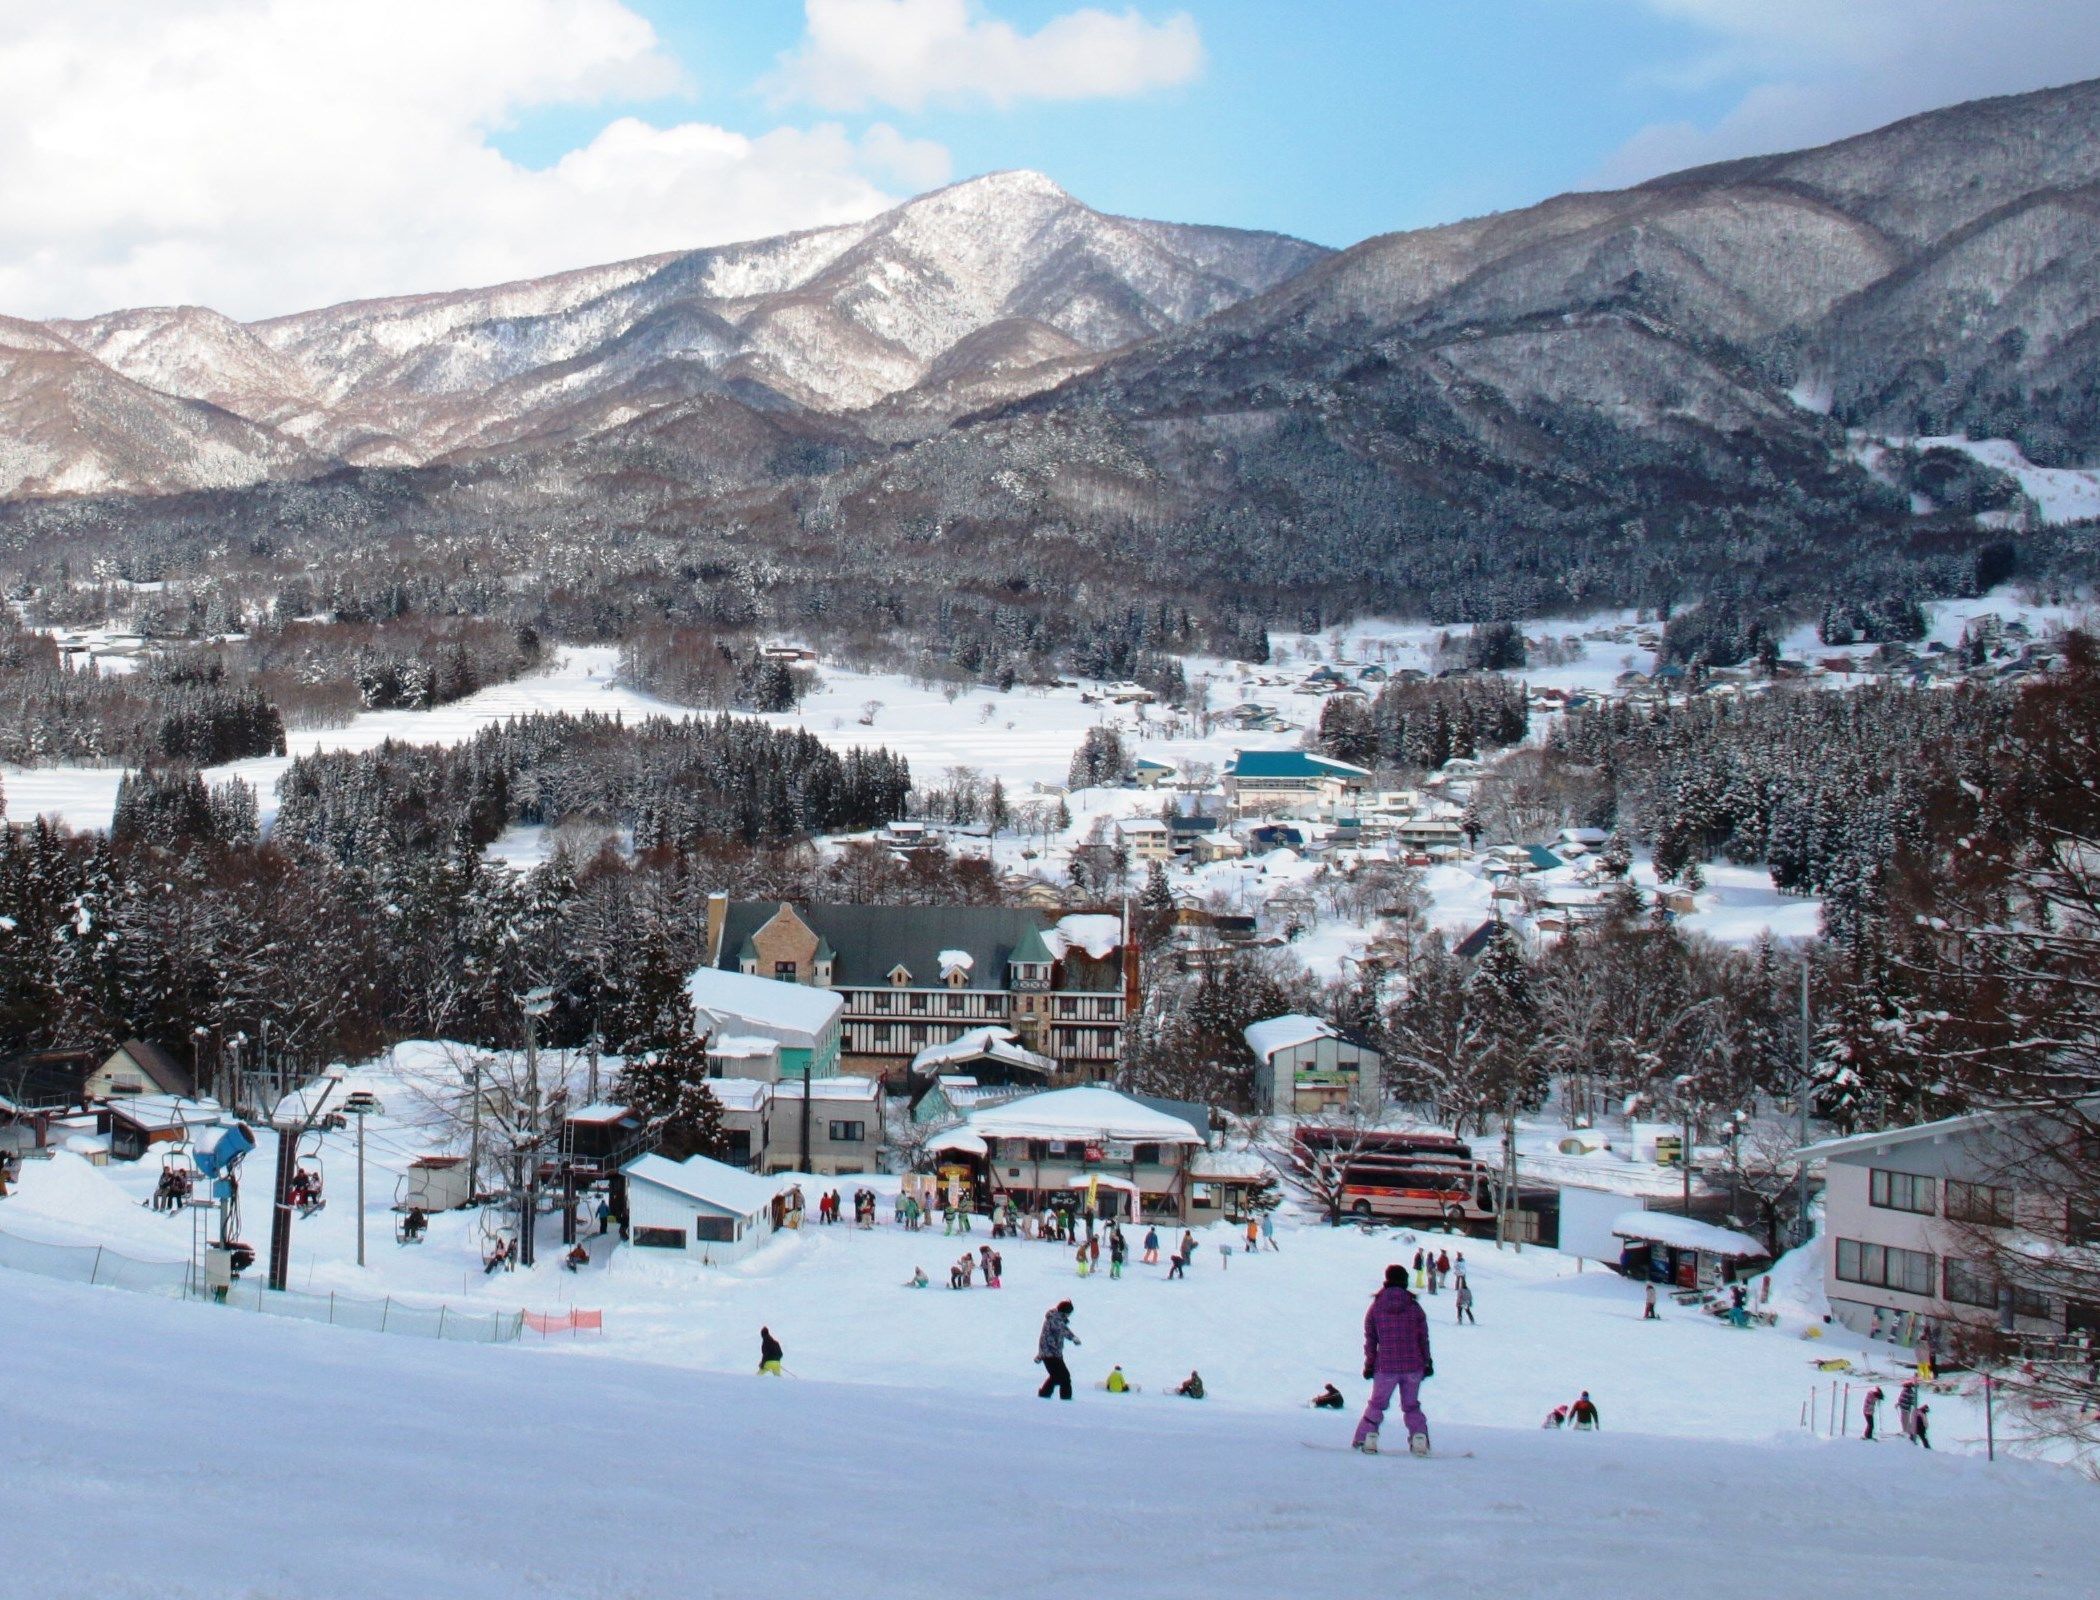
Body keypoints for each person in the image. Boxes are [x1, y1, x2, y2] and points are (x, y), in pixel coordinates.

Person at [1353, 1263, 1433, 1456]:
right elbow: (1423, 1337)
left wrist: (1369, 1364)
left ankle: (1367, 1438)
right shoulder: (1414, 1307)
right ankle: (1419, 1438)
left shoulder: (1376, 1307)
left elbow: (1371, 1339)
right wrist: (1427, 1362)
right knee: (1411, 1405)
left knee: (1377, 1404)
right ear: (1405, 1281)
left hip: (1385, 1366)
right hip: (1413, 1365)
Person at [1036, 1300, 1080, 1400]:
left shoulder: (1054, 1318)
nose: (1069, 1316)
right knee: (1064, 1377)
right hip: (1052, 1354)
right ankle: (1066, 1399)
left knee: (1056, 1377)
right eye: (1069, 1313)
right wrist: (1073, 1338)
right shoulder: (1055, 1320)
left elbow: (1046, 1338)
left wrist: (1040, 1355)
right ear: (1064, 1312)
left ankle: (1044, 1395)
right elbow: (1062, 1330)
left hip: (1050, 1354)